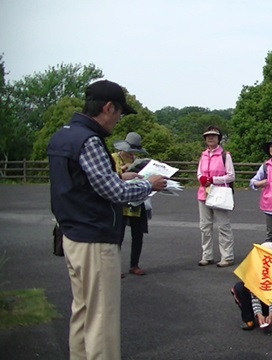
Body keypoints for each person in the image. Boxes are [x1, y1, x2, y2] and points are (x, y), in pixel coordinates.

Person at [47, 79, 166, 360]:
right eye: (119, 113)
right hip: (95, 238)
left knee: (82, 311)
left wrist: (118, 176)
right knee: (102, 318)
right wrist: (150, 184)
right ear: (108, 107)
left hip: (71, 234)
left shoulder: (63, 135)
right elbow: (113, 191)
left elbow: (81, 183)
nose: (118, 120)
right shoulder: (90, 140)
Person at [231, 241, 272, 330]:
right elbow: (254, 296)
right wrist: (259, 315)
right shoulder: (253, 271)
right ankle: (248, 318)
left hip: (271, 302)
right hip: (254, 302)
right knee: (239, 287)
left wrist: (271, 314)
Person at [111, 132, 150, 277]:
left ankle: (134, 265)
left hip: (137, 201)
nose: (131, 153)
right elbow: (107, 178)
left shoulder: (138, 161)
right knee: (117, 235)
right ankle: (114, 266)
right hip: (120, 200)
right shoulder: (113, 158)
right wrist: (121, 173)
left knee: (138, 235)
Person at [197, 126, 236, 267]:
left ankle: (227, 256)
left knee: (223, 226)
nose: (210, 138)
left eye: (213, 135)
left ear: (219, 138)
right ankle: (206, 255)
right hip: (204, 194)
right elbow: (199, 173)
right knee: (205, 226)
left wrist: (214, 179)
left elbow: (231, 176)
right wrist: (202, 179)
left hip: (219, 194)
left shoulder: (225, 155)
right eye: (208, 136)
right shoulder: (204, 155)